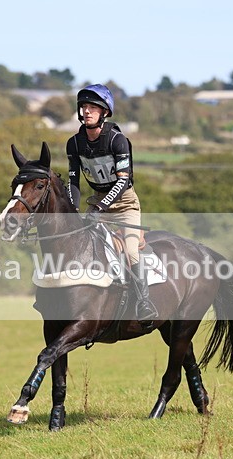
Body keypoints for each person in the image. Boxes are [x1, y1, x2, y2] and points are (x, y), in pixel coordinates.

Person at [65, 84, 157, 325]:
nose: (86, 111)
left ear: (104, 112)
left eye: (93, 107)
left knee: (131, 251)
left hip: (124, 205)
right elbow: (73, 180)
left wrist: (99, 209)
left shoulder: (118, 141)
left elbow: (122, 183)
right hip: (97, 201)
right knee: (75, 243)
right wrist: (74, 210)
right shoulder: (74, 143)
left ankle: (144, 302)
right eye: (84, 106)